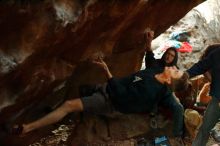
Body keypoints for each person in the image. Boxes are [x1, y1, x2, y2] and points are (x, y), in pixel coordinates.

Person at [13, 55, 189, 139]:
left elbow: (121, 97)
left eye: (176, 72)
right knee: (78, 91)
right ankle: (59, 115)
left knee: (69, 105)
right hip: (108, 88)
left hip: (109, 101)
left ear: (170, 82)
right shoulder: (157, 71)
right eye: (176, 68)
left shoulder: (152, 92)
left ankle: (27, 128)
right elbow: (139, 73)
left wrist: (106, 71)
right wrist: (148, 42)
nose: (174, 68)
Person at [144, 29, 184, 140]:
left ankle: (177, 135)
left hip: (166, 95)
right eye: (168, 54)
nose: (169, 57)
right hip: (153, 93)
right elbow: (148, 52)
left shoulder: (174, 69)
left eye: (172, 56)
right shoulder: (155, 62)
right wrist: (149, 41)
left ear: (174, 59)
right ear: (165, 53)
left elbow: (176, 85)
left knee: (179, 107)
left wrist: (175, 97)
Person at [184, 44, 220, 146]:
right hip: (217, 99)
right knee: (205, 128)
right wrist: (185, 75)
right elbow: (201, 66)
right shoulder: (217, 53)